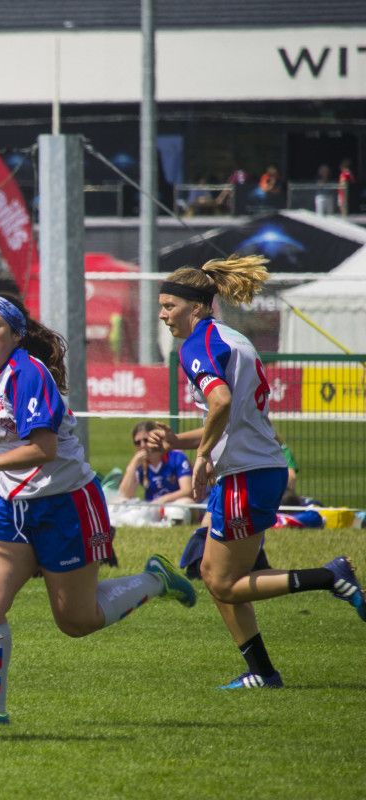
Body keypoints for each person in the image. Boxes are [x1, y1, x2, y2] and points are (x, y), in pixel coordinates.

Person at [0, 294, 196, 728]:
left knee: (77, 621)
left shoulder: (29, 373)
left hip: (67, 505)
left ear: (17, 335)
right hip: (11, 508)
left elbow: (42, 449)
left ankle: (156, 580)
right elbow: (2, 446)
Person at [150, 255, 365, 689]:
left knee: (221, 581)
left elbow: (221, 403)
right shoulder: (228, 338)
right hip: (254, 469)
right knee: (218, 578)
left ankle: (329, 576)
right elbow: (229, 416)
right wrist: (178, 442)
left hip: (246, 475)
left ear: (196, 306)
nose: (162, 314)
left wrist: (202, 455)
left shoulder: (197, 344)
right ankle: (262, 672)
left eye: (169, 306)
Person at [116, 420, 194, 509]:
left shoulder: (176, 457)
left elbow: (187, 491)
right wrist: (133, 464)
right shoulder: (139, 465)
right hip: (152, 507)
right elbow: (124, 495)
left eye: (146, 440)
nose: (142, 445)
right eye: (137, 442)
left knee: (185, 503)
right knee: (120, 502)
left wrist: (162, 500)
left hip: (174, 504)